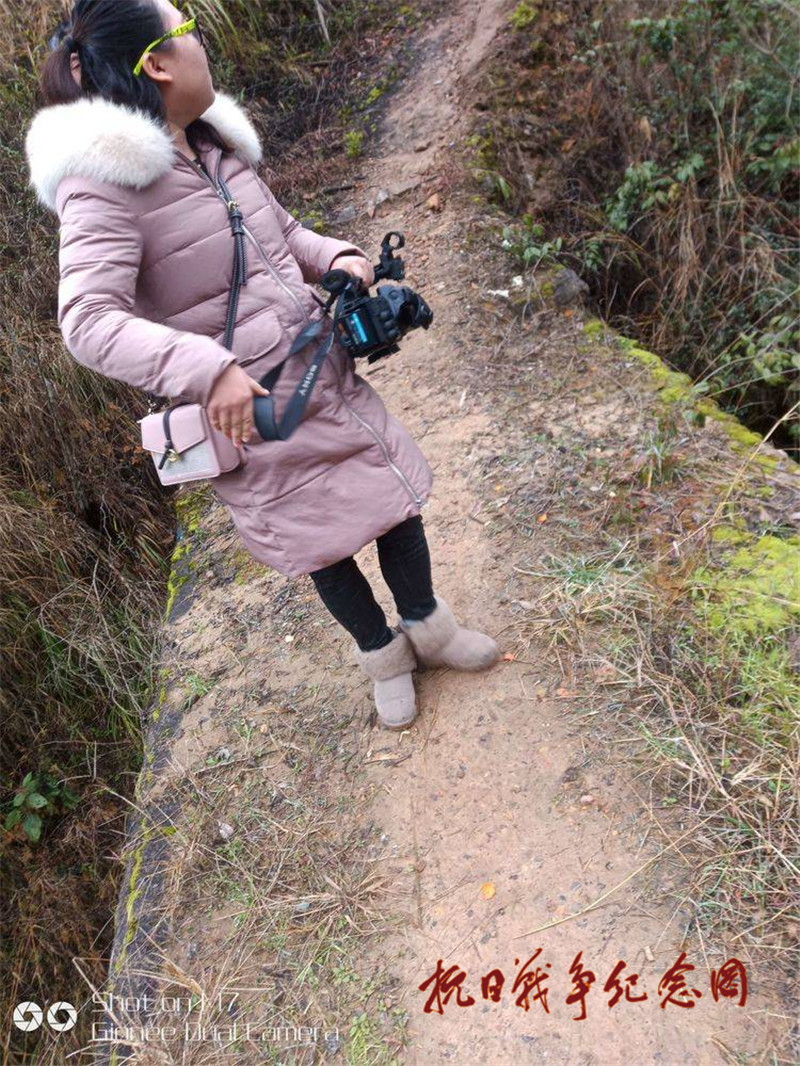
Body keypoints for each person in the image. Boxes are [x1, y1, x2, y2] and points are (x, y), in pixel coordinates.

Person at [24, 0, 501, 730]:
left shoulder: (212, 145)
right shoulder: (101, 185)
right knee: (320, 542)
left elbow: (280, 233)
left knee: (391, 500)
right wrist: (205, 368)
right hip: (253, 411)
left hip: (320, 369)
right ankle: (383, 656)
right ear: (157, 63)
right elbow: (87, 321)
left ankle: (429, 630)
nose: (200, 40)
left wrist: (336, 254)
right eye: (186, 28)